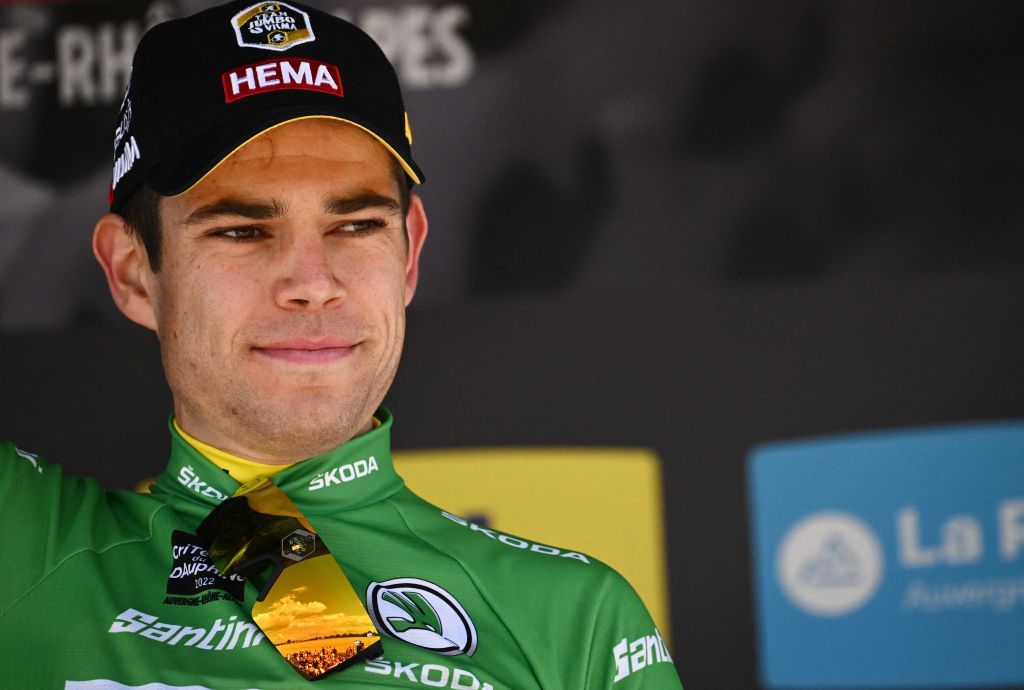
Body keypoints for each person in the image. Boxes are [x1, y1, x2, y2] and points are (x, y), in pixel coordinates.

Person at [0, 2, 682, 688]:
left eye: (355, 225)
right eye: (241, 230)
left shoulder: (577, 620)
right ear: (133, 274)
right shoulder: (27, 546)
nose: (313, 284)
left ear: (410, 252)